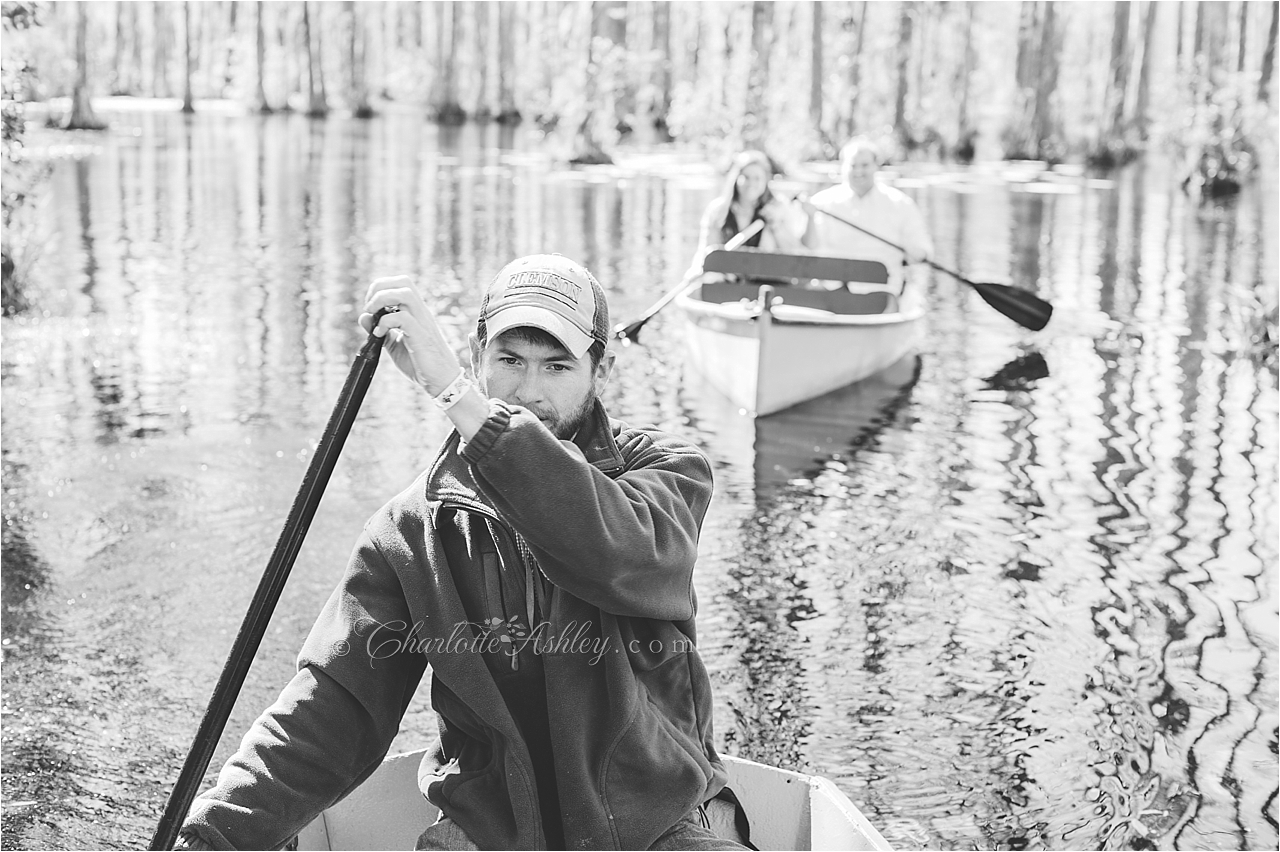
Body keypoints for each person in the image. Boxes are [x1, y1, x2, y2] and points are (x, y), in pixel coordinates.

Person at [174, 255, 747, 851]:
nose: (529, 392)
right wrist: (210, 835)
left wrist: (456, 396)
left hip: (656, 818)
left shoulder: (666, 476)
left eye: (557, 365)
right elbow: (332, 710)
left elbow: (616, 552)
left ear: (600, 370)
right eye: (509, 361)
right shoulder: (411, 529)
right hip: (492, 828)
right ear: (479, 357)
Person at [801, 136, 933, 295]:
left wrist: (917, 253)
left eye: (865, 165)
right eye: (852, 165)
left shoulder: (900, 204)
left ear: (876, 166)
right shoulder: (821, 202)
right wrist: (809, 218)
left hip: (882, 294)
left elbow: (923, 250)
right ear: (842, 167)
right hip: (832, 293)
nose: (858, 171)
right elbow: (807, 246)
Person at [694, 150, 806, 260]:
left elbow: (795, 254)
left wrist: (776, 227)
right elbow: (705, 251)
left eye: (757, 178)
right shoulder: (718, 210)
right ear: (736, 178)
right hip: (726, 274)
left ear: (766, 181)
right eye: (746, 177)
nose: (751, 183)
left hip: (766, 274)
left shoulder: (779, 207)